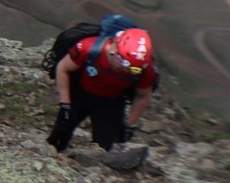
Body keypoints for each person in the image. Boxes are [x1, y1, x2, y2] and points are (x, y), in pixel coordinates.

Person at [47, 27, 157, 169]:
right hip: (81, 94)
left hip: (111, 102)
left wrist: (130, 125)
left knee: (104, 148)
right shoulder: (89, 48)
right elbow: (63, 68)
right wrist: (65, 104)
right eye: (126, 64)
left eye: (135, 70)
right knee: (61, 132)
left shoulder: (145, 69)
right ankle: (52, 158)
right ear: (114, 51)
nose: (128, 71)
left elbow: (143, 95)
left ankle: (91, 172)